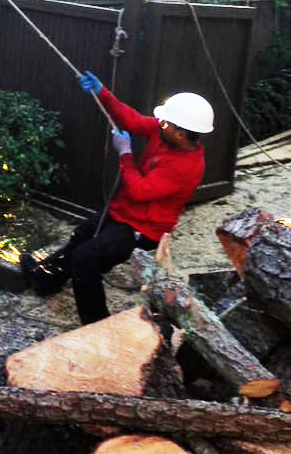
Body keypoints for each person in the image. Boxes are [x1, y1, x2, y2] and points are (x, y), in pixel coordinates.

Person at [20, 70, 214, 325]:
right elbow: (133, 120)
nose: (160, 123)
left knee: (85, 260)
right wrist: (102, 93)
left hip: (145, 228)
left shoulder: (185, 166)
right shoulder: (166, 133)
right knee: (82, 234)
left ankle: (97, 325)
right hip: (125, 210)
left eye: (165, 123)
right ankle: (48, 280)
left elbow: (140, 191)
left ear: (180, 133)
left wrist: (125, 154)